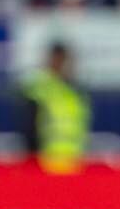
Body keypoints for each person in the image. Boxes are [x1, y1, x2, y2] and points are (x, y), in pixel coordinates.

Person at [19, 40, 90, 174]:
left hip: (74, 164)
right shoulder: (40, 89)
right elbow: (29, 129)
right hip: (47, 165)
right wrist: (33, 164)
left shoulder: (75, 92)